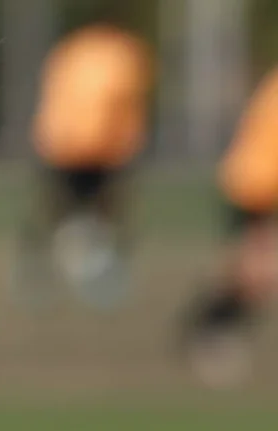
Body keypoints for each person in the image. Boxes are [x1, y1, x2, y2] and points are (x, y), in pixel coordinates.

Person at [15, 18, 154, 311]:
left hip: (67, 146)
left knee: (61, 213)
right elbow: (128, 105)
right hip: (95, 148)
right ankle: (70, 273)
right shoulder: (125, 53)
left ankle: (50, 274)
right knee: (96, 213)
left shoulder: (70, 50)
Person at [178, 67, 278, 388]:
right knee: (257, 273)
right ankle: (209, 330)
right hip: (255, 186)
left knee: (256, 274)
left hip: (258, 184)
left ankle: (211, 330)